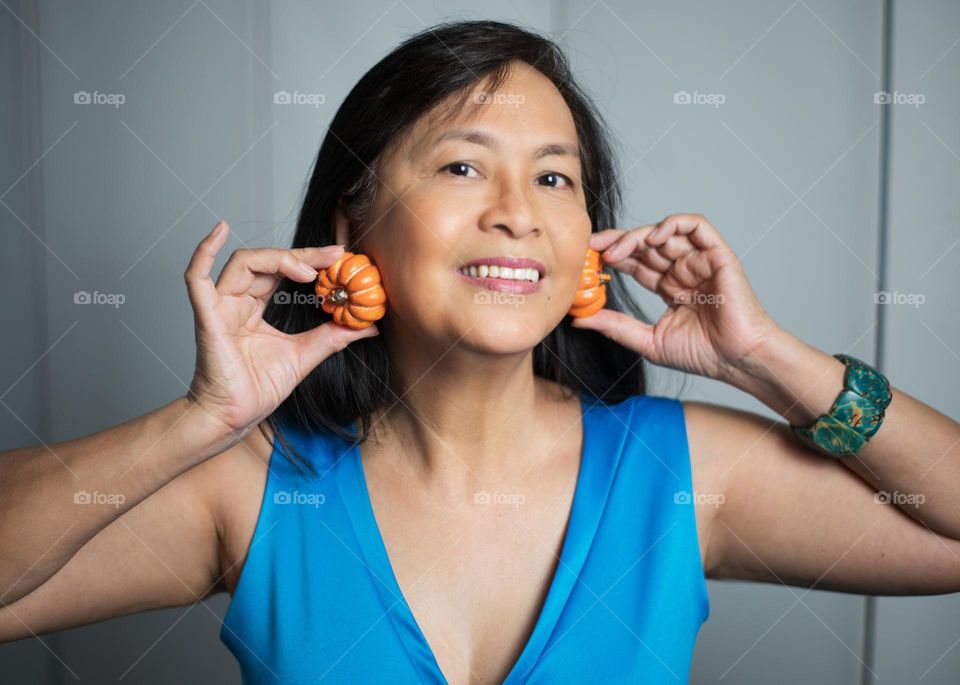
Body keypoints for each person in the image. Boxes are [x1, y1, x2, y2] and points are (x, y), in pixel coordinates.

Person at [1, 19, 958, 685]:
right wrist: (196, 421)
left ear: (587, 237)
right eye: (462, 165)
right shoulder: (255, 486)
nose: (516, 212)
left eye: (554, 177)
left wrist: (771, 361)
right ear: (353, 222)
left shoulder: (681, 473)